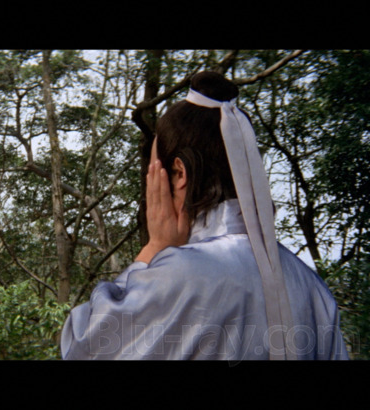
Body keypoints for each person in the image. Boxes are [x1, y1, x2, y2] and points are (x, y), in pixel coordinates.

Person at [60, 71, 348, 360]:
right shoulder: (312, 287)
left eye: (155, 173)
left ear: (179, 173)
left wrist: (153, 249)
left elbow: (83, 349)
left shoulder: (179, 276)